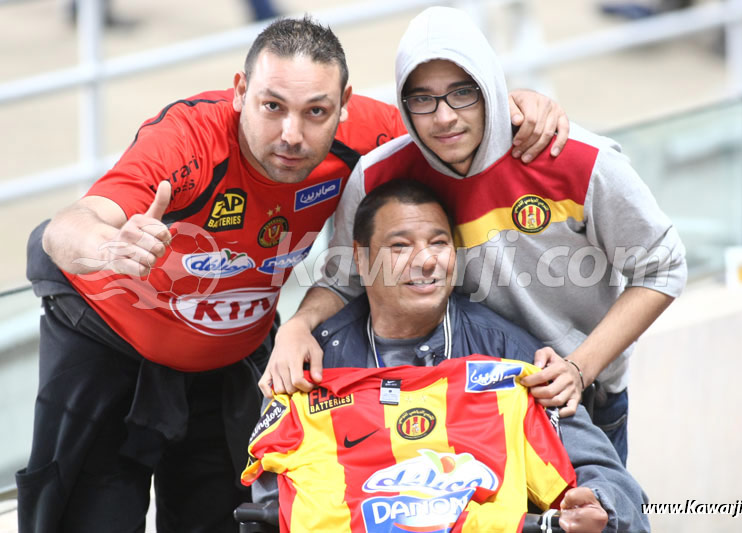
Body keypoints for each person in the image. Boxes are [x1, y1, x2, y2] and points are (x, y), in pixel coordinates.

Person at [19, 14, 569, 533]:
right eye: (272, 106)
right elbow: (66, 227)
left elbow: (452, 124)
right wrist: (109, 247)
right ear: (240, 91)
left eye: (316, 112)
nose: (292, 134)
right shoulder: (189, 140)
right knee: (85, 517)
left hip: (231, 356)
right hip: (110, 339)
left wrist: (515, 105)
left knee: (228, 517)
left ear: (344, 106)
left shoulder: (366, 137)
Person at [262, 6, 688, 466]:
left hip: (573, 397)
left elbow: (664, 267)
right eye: (422, 99)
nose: (444, 117)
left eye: (462, 93)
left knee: (600, 501)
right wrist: (296, 327)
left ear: (489, 86)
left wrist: (579, 368)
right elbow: (344, 280)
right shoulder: (379, 175)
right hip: (455, 402)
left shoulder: (577, 161)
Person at [247, 179, 650, 533]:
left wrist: (598, 501)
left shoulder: (507, 354)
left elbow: (609, 478)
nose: (426, 261)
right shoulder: (312, 361)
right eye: (400, 246)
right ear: (361, 257)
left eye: (439, 243)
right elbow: (270, 502)